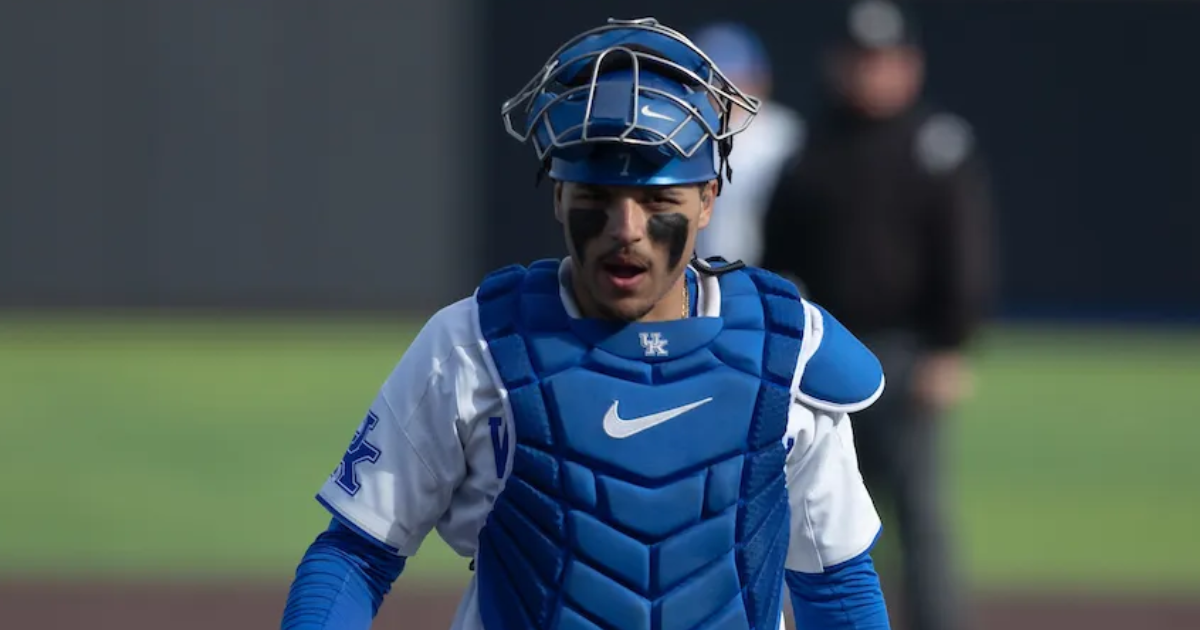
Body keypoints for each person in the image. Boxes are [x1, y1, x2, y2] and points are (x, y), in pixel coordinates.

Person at [280, 17, 892, 630]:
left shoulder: (786, 354)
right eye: (596, 198)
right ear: (558, 197)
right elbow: (356, 555)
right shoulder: (474, 346)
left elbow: (836, 587)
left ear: (708, 198)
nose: (625, 230)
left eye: (658, 202)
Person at [760, 2, 996, 630]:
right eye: (861, 60)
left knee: (918, 514)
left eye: (884, 60)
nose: (872, 73)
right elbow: (776, 257)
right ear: (839, 65)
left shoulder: (935, 147)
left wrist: (949, 348)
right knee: (812, 511)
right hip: (823, 356)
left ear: (909, 66)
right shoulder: (811, 147)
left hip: (906, 351)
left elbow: (965, 256)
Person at [690, 22, 805, 268]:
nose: (724, 92)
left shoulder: (784, 135)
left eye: (734, 80)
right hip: (697, 276)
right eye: (713, 82)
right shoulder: (681, 135)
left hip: (772, 273)